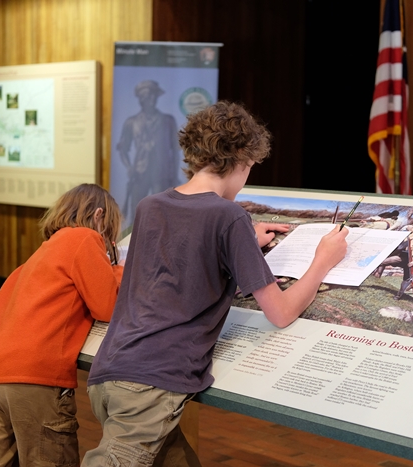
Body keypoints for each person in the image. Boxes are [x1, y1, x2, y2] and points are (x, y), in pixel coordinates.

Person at [82, 101, 348, 467]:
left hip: (110, 371)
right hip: (154, 381)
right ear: (241, 159)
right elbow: (281, 312)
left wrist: (241, 245)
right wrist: (322, 262)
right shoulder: (229, 215)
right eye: (251, 167)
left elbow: (177, 270)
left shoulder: (149, 206)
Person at [0, 184, 125, 467]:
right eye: (110, 232)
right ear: (99, 216)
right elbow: (109, 307)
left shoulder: (40, 254)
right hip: (32, 376)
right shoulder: (83, 238)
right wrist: (119, 267)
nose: (108, 240)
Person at [117, 80, 182, 225]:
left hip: (162, 173)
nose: (151, 99)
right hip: (140, 173)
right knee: (136, 213)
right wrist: (129, 168)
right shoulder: (131, 122)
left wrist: (174, 175)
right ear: (140, 99)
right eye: (147, 96)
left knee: (164, 212)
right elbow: (122, 149)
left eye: (153, 96)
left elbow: (175, 151)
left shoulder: (168, 121)